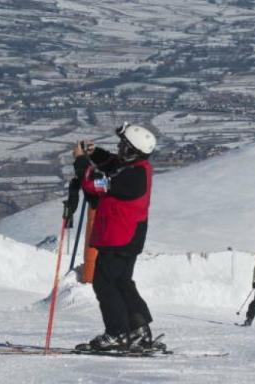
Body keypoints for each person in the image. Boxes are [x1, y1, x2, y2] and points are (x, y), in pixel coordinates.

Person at [72, 122, 159, 352]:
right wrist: (95, 153)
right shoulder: (135, 168)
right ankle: (139, 331)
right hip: (125, 236)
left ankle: (117, 333)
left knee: (105, 284)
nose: (120, 149)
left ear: (133, 151)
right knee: (122, 283)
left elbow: (94, 184)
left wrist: (81, 162)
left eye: (124, 146)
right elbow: (113, 165)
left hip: (119, 237)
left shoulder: (132, 176)